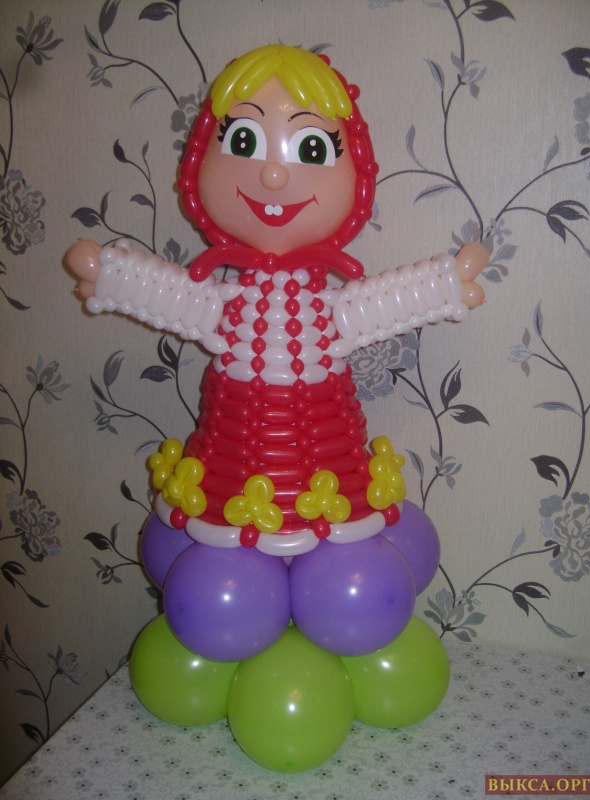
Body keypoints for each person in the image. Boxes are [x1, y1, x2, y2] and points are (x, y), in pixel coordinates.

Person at [65, 44, 487, 559]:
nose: (272, 175)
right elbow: (180, 299)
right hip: (231, 477)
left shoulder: (322, 311)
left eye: (312, 148)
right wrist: (113, 278)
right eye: (243, 140)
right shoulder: (229, 306)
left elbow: (374, 305)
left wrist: (443, 285)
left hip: (328, 478)